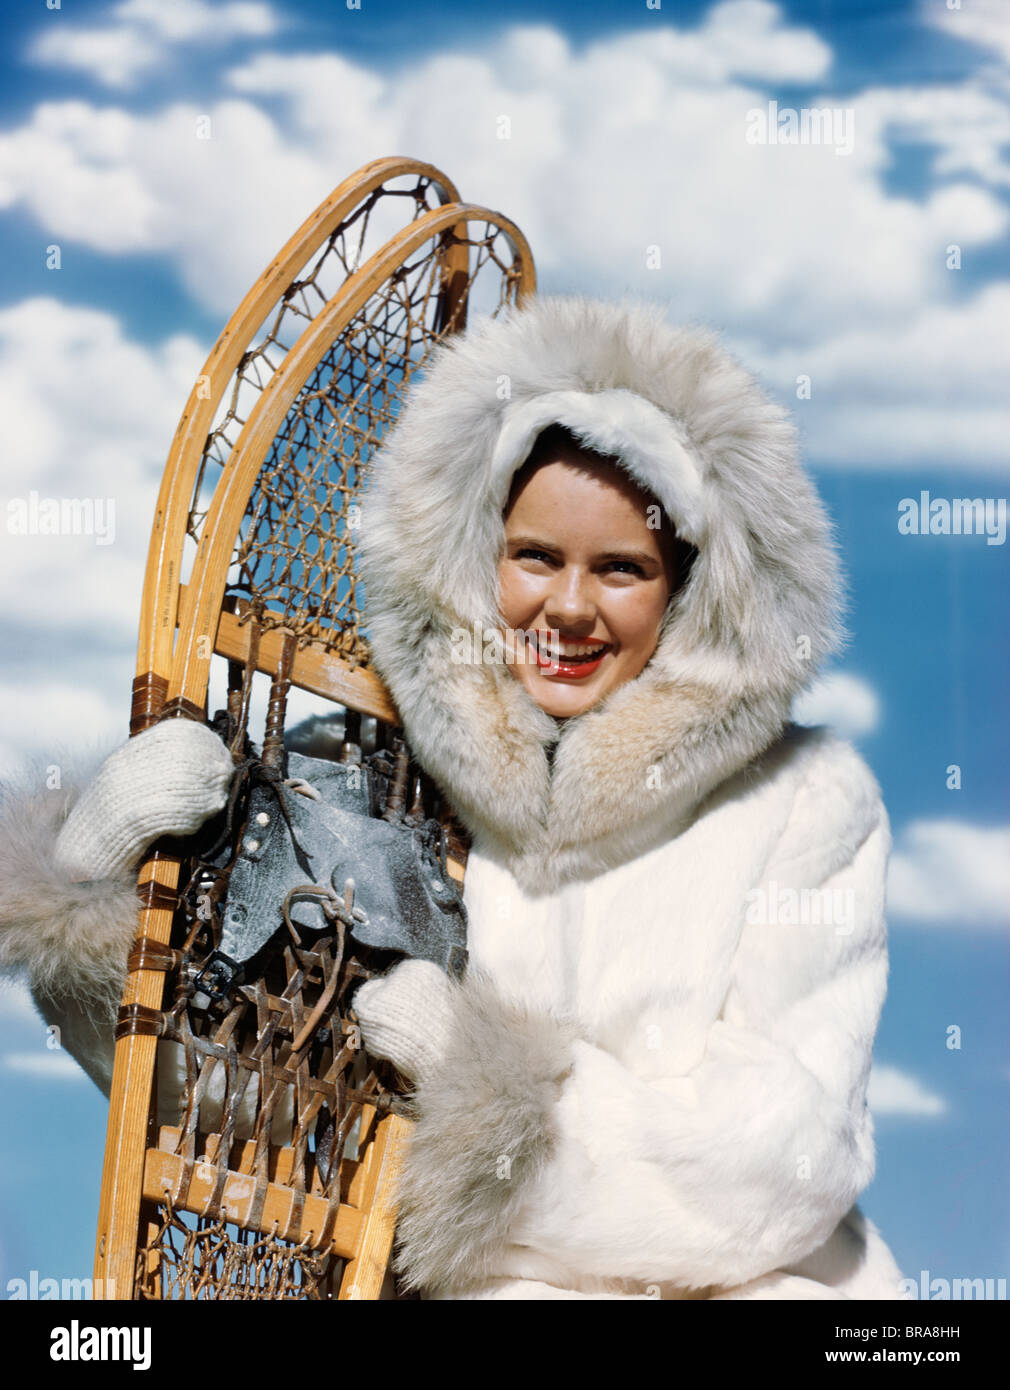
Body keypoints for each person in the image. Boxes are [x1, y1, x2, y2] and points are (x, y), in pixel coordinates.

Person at [0, 294, 905, 1300]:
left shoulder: (803, 801)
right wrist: (94, 895)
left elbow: (781, 1160)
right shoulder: (359, 773)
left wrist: (481, 1095)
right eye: (535, 556)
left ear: (688, 588)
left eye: (620, 567)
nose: (567, 606)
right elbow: (227, 1108)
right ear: (477, 560)